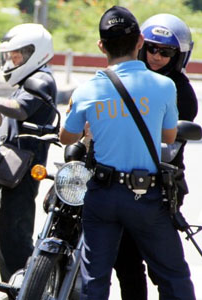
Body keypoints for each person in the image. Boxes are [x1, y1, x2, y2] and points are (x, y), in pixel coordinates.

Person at [59, 6, 195, 300]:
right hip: (145, 195)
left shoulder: (87, 90)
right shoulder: (165, 86)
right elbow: (169, 136)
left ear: (100, 46)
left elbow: (66, 136)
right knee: (173, 276)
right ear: (139, 43)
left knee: (94, 281)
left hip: (102, 195)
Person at [113, 13, 198, 300]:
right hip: (120, 177)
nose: (157, 56)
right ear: (139, 46)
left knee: (162, 265)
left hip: (161, 182)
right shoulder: (127, 77)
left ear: (179, 56)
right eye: (152, 48)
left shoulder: (181, 93)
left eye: (166, 52)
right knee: (125, 262)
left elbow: (168, 145)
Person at [0, 23, 57, 282]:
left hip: (23, 173)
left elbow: (18, 108)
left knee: (14, 236)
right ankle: (14, 286)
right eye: (11, 55)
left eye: (18, 55)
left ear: (34, 53)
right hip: (10, 171)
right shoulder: (29, 79)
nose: (12, 61)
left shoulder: (41, 80)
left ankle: (27, 288)